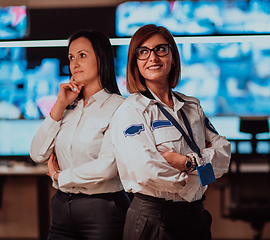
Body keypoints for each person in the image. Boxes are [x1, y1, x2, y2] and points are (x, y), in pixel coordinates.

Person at [110, 24, 231, 240]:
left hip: (196, 216)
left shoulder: (192, 106)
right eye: (143, 52)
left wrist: (187, 163)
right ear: (135, 62)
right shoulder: (131, 112)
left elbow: (224, 157)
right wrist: (202, 172)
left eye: (161, 49)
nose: (153, 57)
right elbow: (146, 172)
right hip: (154, 218)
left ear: (173, 57)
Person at [30, 30, 130, 240]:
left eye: (82, 55)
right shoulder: (66, 107)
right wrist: (59, 105)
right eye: (71, 57)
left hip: (103, 210)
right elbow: (38, 154)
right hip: (61, 207)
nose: (74, 63)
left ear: (101, 58)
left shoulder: (120, 107)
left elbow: (106, 167)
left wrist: (59, 177)